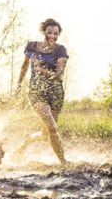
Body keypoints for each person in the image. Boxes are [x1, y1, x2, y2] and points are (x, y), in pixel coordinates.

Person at [15, 18, 69, 164]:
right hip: (36, 92)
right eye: (49, 32)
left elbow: (59, 73)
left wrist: (42, 70)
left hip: (56, 94)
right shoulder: (32, 46)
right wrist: (19, 84)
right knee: (52, 127)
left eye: (56, 34)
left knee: (47, 134)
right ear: (43, 32)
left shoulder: (60, 50)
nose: (52, 36)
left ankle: (26, 142)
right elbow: (24, 66)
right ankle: (64, 162)